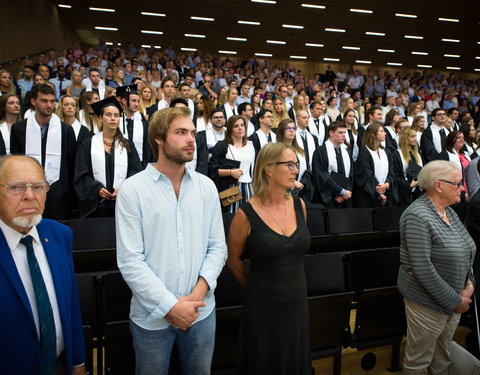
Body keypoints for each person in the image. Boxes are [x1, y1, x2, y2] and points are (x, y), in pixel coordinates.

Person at [116, 106, 227, 375]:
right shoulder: (133, 189)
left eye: (192, 132)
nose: (191, 139)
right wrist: (171, 307)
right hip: (152, 317)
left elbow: (217, 248)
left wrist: (195, 298)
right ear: (159, 139)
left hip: (201, 312)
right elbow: (131, 261)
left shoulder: (206, 186)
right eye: (180, 133)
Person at [227, 142, 312, 375]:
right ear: (268, 169)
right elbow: (232, 258)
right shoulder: (246, 213)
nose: (295, 170)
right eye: (289, 164)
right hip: (262, 307)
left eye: (296, 164)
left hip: (296, 304)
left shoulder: (299, 205)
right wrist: (255, 286)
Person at [0, 155, 86, 375]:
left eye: (38, 187)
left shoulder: (60, 235)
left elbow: (71, 304)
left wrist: (77, 362)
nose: (30, 196)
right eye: (16, 188)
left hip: (59, 366)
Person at [397, 160, 476, 374]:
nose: (462, 188)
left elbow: (467, 249)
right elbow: (422, 267)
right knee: (419, 362)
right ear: (438, 185)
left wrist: (469, 284)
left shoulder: (448, 211)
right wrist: (455, 301)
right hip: (426, 303)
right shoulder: (416, 216)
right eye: (457, 184)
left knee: (442, 359)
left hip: (454, 300)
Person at [10, 84, 77, 220]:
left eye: (52, 101)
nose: (49, 105)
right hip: (27, 190)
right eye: (44, 101)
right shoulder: (19, 129)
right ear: (34, 102)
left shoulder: (66, 130)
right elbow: (15, 163)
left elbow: (71, 164)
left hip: (58, 192)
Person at [74, 96, 142, 218]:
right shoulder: (88, 144)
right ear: (100, 118)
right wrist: (96, 189)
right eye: (108, 115)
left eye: (116, 115)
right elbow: (81, 174)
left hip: (122, 205)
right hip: (96, 208)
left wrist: (123, 187)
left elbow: (135, 171)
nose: (113, 119)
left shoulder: (127, 145)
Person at [209, 115, 255, 213]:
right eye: (236, 126)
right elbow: (212, 170)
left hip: (248, 187)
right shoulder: (222, 145)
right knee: (231, 217)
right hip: (230, 187)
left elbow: (254, 169)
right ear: (230, 129)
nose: (240, 128)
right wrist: (230, 172)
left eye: (242, 125)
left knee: (247, 218)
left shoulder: (251, 145)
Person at [312, 121, 354, 208]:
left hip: (345, 197)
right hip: (329, 197)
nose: (343, 135)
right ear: (331, 133)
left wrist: (346, 192)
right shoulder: (320, 152)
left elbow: (351, 174)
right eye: (340, 132)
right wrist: (340, 191)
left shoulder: (347, 151)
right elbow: (322, 175)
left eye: (344, 133)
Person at [354, 122, 395, 207]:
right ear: (373, 134)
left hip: (386, 193)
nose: (385, 133)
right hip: (369, 197)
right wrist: (380, 192)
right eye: (381, 131)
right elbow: (366, 175)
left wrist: (386, 184)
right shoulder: (364, 153)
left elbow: (391, 172)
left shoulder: (386, 152)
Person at [392, 127, 423, 206]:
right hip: (403, 192)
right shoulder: (397, 154)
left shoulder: (417, 154)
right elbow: (395, 175)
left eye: (415, 136)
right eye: (412, 137)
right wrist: (409, 185)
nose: (415, 139)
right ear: (405, 138)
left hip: (417, 191)